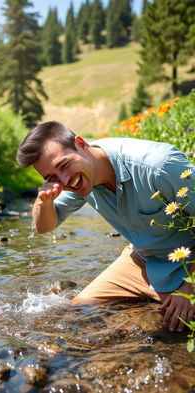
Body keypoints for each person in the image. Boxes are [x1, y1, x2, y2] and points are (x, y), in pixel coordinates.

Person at [17, 121, 195, 332]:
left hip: (187, 262)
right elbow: (44, 226)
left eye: (64, 165)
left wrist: (190, 287)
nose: (65, 181)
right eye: (52, 177)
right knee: (77, 311)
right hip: (142, 260)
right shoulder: (80, 175)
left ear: (81, 144)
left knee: (182, 326)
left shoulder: (159, 166)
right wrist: (44, 202)